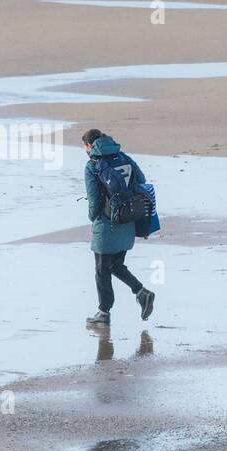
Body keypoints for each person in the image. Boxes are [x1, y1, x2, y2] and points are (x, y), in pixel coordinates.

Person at [82, 128, 154, 325]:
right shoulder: (123, 157)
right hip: (128, 219)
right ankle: (141, 292)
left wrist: (92, 217)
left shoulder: (92, 166)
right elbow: (141, 179)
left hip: (107, 226)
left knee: (102, 270)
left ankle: (103, 314)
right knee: (115, 265)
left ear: (89, 146)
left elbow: (94, 202)